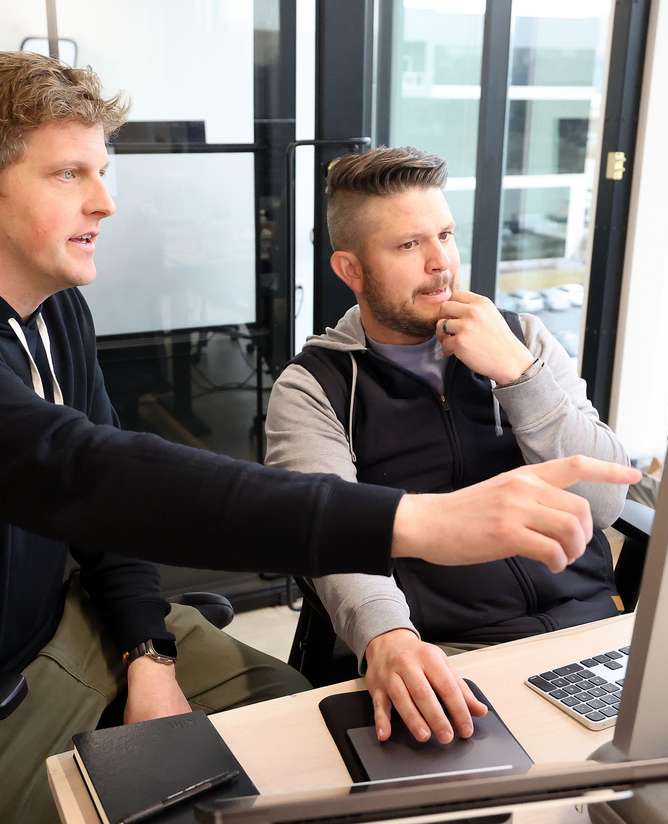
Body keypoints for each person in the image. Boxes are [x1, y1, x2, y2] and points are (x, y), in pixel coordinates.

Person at [0, 54, 639, 823]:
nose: (105, 201)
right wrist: (415, 523)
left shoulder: (52, 310)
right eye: (69, 176)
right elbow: (91, 476)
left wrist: (147, 650)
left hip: (66, 619)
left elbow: (103, 509)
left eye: (102, 172)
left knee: (311, 746)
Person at [265, 146, 631, 749]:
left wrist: (518, 374)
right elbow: (330, 534)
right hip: (454, 658)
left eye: (446, 235)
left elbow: (605, 502)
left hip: (593, 633)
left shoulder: (522, 338)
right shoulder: (315, 387)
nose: (441, 264)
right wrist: (388, 636)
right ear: (351, 271)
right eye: (409, 246)